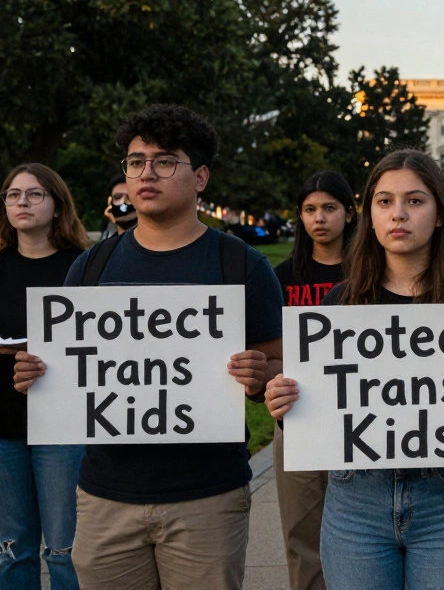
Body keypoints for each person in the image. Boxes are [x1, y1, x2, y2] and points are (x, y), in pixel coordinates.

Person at [12, 105, 283, 590]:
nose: (146, 174)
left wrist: (261, 377)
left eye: (164, 161)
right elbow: (68, 372)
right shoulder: (91, 268)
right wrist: (37, 375)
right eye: (135, 162)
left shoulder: (240, 264)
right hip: (105, 498)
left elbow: (280, 364)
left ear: (200, 177)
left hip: (208, 497)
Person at [264, 150, 444, 590]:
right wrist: (287, 406)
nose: (398, 214)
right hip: (356, 502)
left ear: (441, 214)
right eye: (384, 202)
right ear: (368, 216)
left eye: (415, 201)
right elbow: (317, 424)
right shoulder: (340, 305)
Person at [0, 164, 90, 589]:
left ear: (57, 205)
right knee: (11, 549)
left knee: (66, 550)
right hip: (3, 425)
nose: (22, 202)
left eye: (35, 194)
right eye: (13, 194)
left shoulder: (84, 269)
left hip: (65, 427)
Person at [272, 170, 357, 590]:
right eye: (309, 209)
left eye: (329, 208)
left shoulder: (368, 274)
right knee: (303, 536)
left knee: (361, 536)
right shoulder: (282, 277)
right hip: (299, 420)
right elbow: (269, 352)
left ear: (349, 212)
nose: (318, 218)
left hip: (359, 419)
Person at [100, 173, 137, 239]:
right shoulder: (104, 242)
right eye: (117, 197)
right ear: (109, 202)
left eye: (130, 197)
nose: (123, 202)